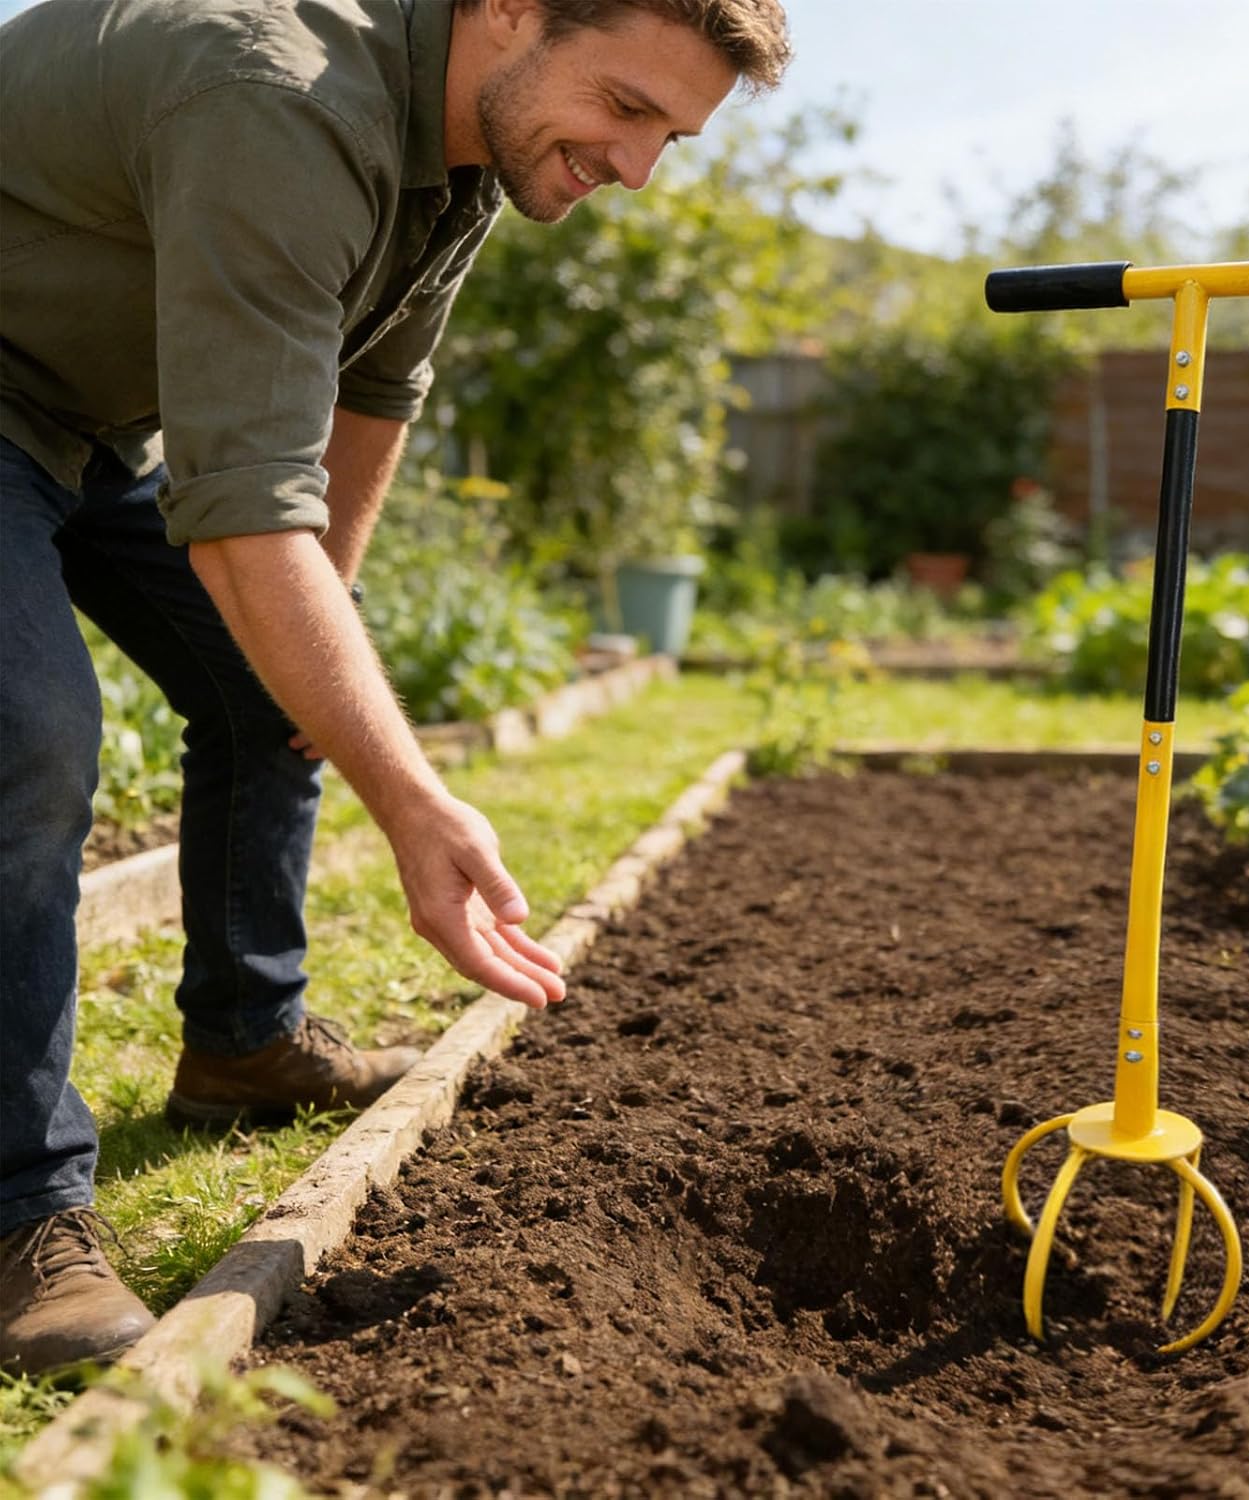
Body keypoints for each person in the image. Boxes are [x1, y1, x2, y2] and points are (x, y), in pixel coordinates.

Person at [0, 0, 790, 1378]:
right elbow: (248, 521)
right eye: (625, 107)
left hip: (85, 420)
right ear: (511, 12)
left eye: (671, 134)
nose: (637, 167)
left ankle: (245, 1042)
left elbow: (368, 402)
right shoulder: (282, 94)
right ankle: (17, 1213)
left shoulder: (464, 153)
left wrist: (322, 672)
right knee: (28, 741)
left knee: (283, 680)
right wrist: (410, 800)